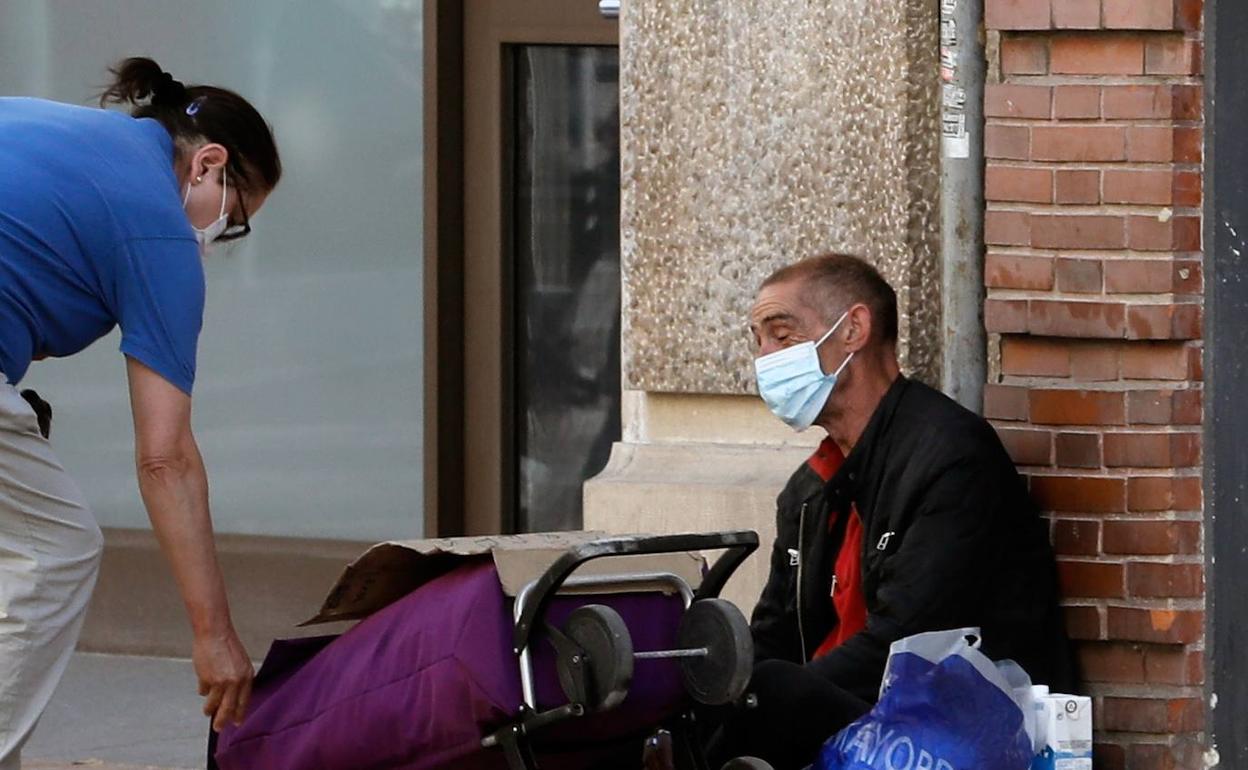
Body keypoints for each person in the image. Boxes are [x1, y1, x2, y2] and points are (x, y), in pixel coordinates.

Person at [0, 57, 281, 767]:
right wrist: (213, 634)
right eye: (234, 219)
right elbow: (166, 458)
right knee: (52, 551)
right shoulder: (158, 228)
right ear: (208, 165)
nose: (218, 238)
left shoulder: (55, 125)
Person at [709, 254, 1074, 769]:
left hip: (945, 725)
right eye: (758, 340)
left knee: (769, 692)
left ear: (853, 329)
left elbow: (911, 642)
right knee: (698, 695)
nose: (764, 358)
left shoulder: (950, 456)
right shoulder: (810, 488)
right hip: (842, 716)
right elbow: (775, 634)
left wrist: (766, 698)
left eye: (782, 335)